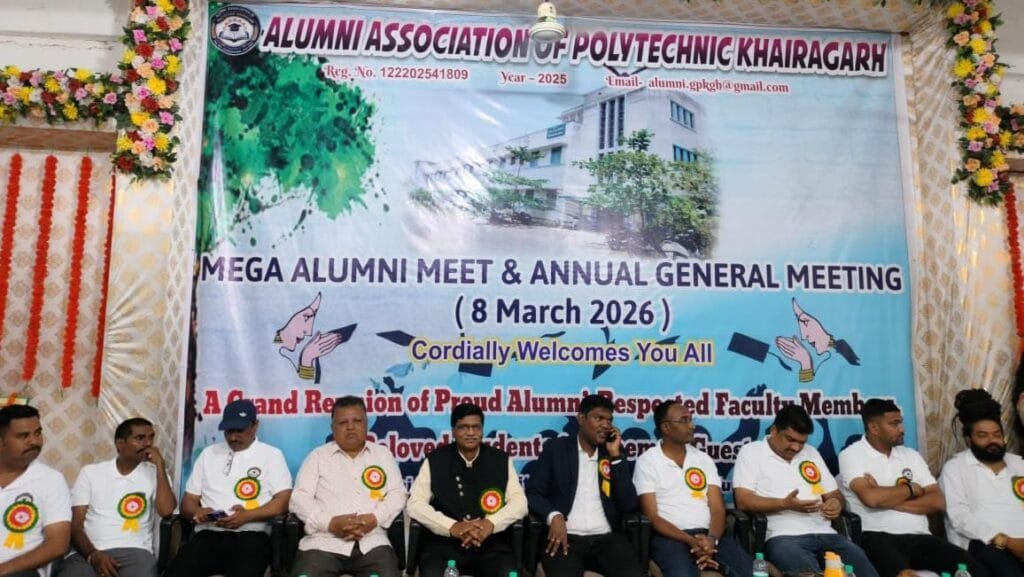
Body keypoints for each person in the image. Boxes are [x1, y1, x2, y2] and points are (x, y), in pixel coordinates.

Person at [838, 398, 987, 577]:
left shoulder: (911, 456)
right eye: (894, 424)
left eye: (901, 422)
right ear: (874, 428)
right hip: (876, 536)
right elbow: (871, 499)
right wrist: (912, 489)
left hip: (920, 535)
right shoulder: (852, 455)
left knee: (974, 569)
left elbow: (937, 501)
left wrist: (886, 498)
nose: (902, 429)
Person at [733, 404, 877, 577]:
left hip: (827, 533)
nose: (796, 448)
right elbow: (743, 500)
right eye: (790, 440)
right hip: (783, 536)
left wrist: (835, 504)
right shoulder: (752, 452)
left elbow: (834, 494)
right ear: (774, 430)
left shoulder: (811, 453)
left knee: (864, 569)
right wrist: (784, 504)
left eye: (802, 442)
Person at [165, 399, 293, 577]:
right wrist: (198, 511)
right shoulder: (208, 454)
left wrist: (248, 515)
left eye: (239, 431)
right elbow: (188, 502)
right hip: (208, 535)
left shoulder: (271, 455)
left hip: (250, 536)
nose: (233, 437)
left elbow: (284, 501)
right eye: (228, 431)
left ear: (255, 426)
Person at [525, 394, 644, 577]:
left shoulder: (613, 452)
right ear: (581, 419)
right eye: (599, 418)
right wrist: (554, 516)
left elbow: (628, 504)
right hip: (566, 538)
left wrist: (615, 457)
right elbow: (533, 493)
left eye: (609, 420)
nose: (605, 425)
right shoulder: (556, 449)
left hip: (607, 539)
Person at [289, 396, 406, 577]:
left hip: (372, 543)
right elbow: (299, 499)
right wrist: (329, 523)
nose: (350, 427)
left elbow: (398, 494)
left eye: (357, 421)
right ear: (332, 428)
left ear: (366, 424)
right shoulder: (317, 457)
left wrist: (374, 518)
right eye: (343, 423)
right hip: (323, 544)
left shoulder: (382, 455)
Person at [634, 400, 752, 577]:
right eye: (684, 420)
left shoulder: (703, 459)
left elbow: (718, 509)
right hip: (670, 538)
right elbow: (652, 515)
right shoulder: (648, 461)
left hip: (710, 535)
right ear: (666, 428)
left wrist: (711, 540)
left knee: (755, 572)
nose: (692, 425)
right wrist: (689, 540)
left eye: (691, 419)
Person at [407, 402, 527, 577]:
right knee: (432, 572)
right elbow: (415, 504)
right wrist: (452, 526)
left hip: (490, 544)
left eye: (476, 427)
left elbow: (520, 503)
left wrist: (490, 524)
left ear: (482, 430)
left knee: (508, 573)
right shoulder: (435, 460)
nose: (471, 432)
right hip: (445, 545)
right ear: (453, 431)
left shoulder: (500, 460)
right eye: (463, 427)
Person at [57, 418, 176, 577]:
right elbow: (75, 525)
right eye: (140, 438)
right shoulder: (91, 473)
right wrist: (93, 555)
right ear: (120, 444)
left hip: (136, 552)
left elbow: (167, 511)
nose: (148, 444)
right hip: (89, 552)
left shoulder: (156, 474)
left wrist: (160, 466)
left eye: (151, 437)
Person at [939, 389, 1024, 576]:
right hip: (983, 542)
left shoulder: (1019, 464)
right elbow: (959, 517)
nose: (992, 440)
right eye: (983, 435)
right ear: (969, 440)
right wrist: (1008, 541)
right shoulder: (955, 468)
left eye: (996, 434)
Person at [0, 405, 71, 577]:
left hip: (21, 571)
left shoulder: (51, 480)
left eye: (37, 433)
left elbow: (57, 544)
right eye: (23, 436)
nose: (34, 441)